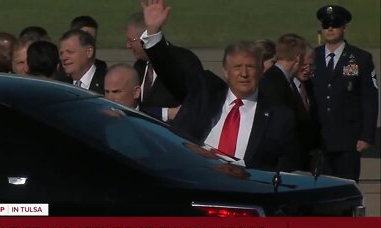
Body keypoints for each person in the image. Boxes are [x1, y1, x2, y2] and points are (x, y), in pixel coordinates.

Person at [140, 0, 300, 171]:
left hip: (244, 191)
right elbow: (171, 71)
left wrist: (243, 172)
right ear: (226, 71)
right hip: (191, 182)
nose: (244, 74)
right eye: (237, 67)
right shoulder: (205, 94)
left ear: (261, 71)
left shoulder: (280, 118)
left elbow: (288, 170)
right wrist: (154, 32)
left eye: (250, 67)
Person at [312, 5, 379, 181]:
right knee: (319, 191)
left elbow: (370, 98)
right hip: (318, 139)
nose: (330, 29)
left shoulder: (360, 58)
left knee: (347, 188)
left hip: (348, 140)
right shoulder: (312, 57)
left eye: (335, 24)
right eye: (326, 25)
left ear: (344, 27)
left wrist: (366, 135)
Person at [125, 11, 202, 122]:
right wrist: (166, 113)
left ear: (145, 37)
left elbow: (196, 107)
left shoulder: (185, 62)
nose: (127, 45)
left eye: (130, 41)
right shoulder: (139, 66)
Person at [57, 29, 106, 94]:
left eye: (70, 52)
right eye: (61, 53)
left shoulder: (107, 83)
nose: (64, 58)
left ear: (89, 52)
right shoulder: (59, 85)